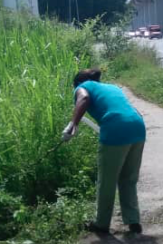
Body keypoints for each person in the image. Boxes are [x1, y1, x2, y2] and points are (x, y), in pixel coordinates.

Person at [62, 68, 146, 234]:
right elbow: (130, 110)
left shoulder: (82, 86)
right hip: (138, 128)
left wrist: (72, 125)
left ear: (77, 82)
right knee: (128, 179)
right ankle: (133, 221)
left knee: (107, 180)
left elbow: (84, 98)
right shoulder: (112, 87)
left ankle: (101, 224)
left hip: (115, 130)